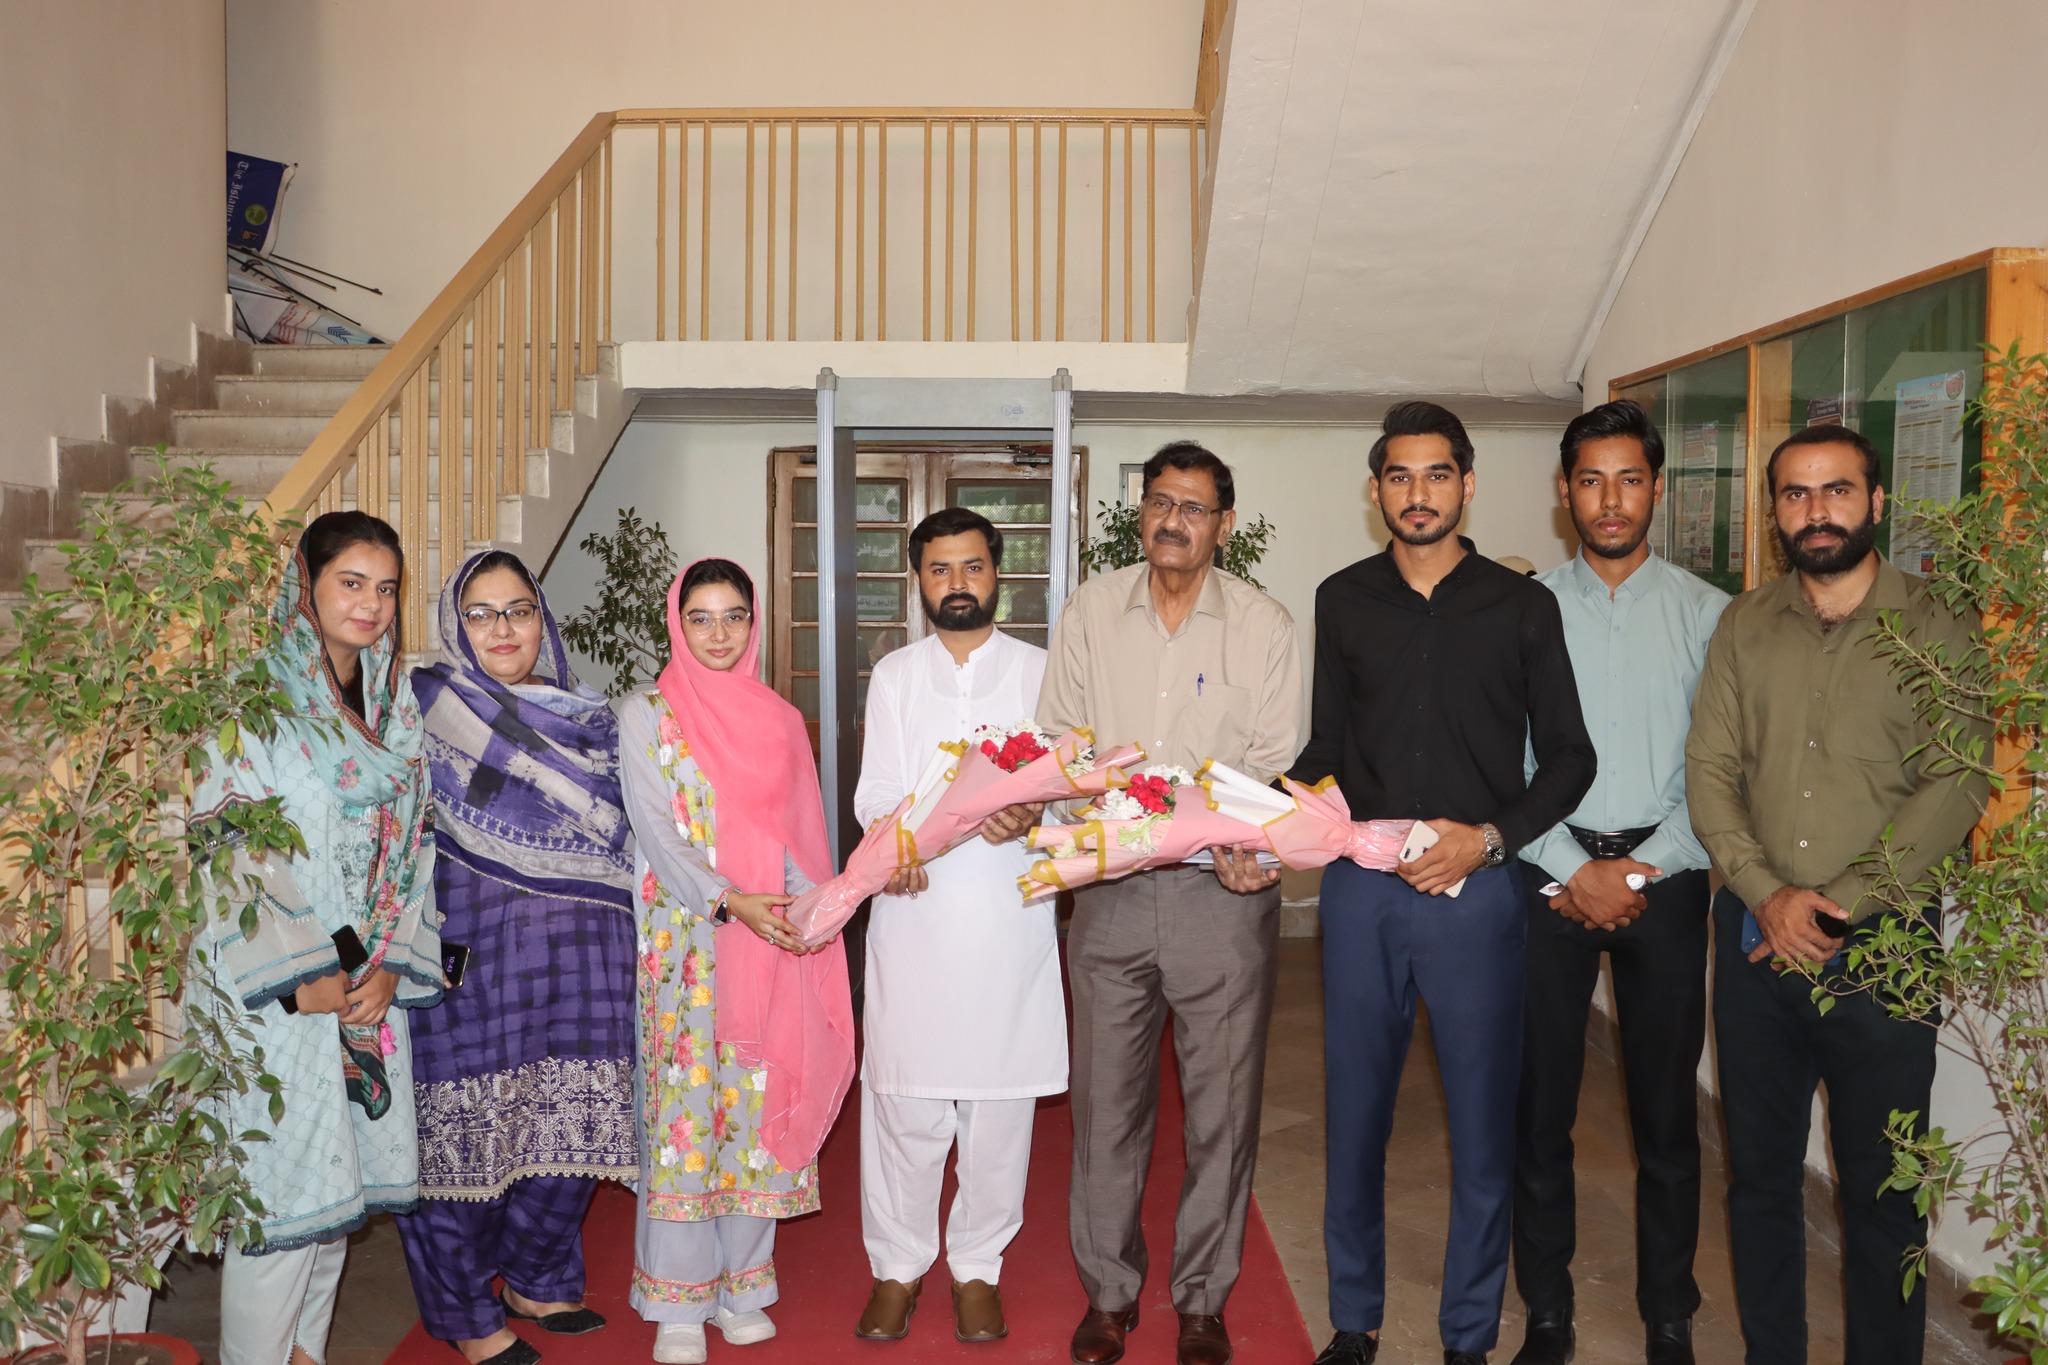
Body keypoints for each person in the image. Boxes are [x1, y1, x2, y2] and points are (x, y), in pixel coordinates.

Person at [1290, 401, 1597, 1365]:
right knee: (1355, 1114)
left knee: (1481, 1123)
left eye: (1435, 475)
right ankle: (1355, 1321)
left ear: (1467, 484)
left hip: (1479, 893)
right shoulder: (1343, 598)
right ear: (1376, 489)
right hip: (1364, 891)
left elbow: (1571, 757)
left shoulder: (1521, 606)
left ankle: (1469, 1333)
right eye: (1399, 476)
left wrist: (1491, 840)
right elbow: (1325, 748)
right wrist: (1260, 817)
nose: (1417, 494)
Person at [1686, 424, 1988, 1365]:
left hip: (1886, 947)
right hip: (1756, 941)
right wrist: (1766, 891)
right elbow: (1710, 771)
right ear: (1774, 510)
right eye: (1796, 493)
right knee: (1759, 1179)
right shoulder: (1743, 625)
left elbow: (1958, 777)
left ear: (1877, 501)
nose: (1816, 511)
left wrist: (1838, 900)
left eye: (1837, 490)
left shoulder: (1938, 623)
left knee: (1884, 1191)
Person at [1037, 441, 1302, 1365]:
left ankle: (1202, 1299)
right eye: (1159, 501)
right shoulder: (1090, 610)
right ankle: (1109, 1294)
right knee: (1105, 1106)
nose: (1173, 520)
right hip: (1109, 893)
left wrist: (1234, 838)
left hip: (1218, 897)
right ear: (1141, 513)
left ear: (1223, 525)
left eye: (1193, 507)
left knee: (1221, 1107)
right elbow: (1061, 742)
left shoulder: (1263, 625)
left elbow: (1270, 760)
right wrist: (1095, 814)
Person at [189, 510, 444, 1365]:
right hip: (277, 985)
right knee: (285, 1201)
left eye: (387, 588)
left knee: (340, 1195)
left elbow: (416, 841)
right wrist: (303, 974)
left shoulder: (396, 705)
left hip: (364, 977)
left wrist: (390, 964)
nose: (370, 604)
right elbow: (232, 842)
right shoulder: (253, 700)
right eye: (351, 582)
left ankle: (306, 1354)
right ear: (307, 585)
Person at [1508, 401, 1729, 1365]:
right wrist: (1572, 867)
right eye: (1591, 480)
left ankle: (1668, 1313)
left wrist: (1636, 867)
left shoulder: (1708, 614)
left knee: (1667, 1116)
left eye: (1629, 479)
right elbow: (1506, 761)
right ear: (1565, 491)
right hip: (1548, 873)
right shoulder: (1523, 611)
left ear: (1657, 489)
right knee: (1539, 1109)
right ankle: (1548, 1309)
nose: (1610, 499)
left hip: (1665, 877)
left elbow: (1718, 769)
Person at [397, 550, 638, 1365]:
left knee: (574, 1125)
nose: (502, 628)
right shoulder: (425, 711)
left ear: (544, 619)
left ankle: (539, 1275)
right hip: (468, 956)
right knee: (464, 1133)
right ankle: (467, 1313)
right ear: (453, 624)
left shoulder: (594, 720)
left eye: (519, 610)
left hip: (587, 958)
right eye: (480, 613)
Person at [619, 557, 856, 1365]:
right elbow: (656, 831)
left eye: (733, 617)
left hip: (765, 941)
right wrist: (728, 900)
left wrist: (806, 910)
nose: (718, 633)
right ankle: (678, 1299)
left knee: (753, 1103)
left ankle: (742, 1285)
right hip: (686, 943)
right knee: (686, 1115)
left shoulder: (780, 719)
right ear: (676, 623)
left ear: (754, 625)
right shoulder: (647, 714)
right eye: (701, 617)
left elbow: (798, 834)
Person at [851, 507, 1063, 1345]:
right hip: (916, 910)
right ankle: (898, 1266)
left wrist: (1034, 813)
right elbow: (875, 792)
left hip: (1010, 916)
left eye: (972, 566)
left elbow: (1071, 788)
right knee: (905, 1104)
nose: (957, 583)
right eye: (940, 569)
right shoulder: (896, 675)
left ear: (996, 572)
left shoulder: (1042, 671)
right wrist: (896, 843)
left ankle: (979, 1266)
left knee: (1000, 1108)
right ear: (919, 580)